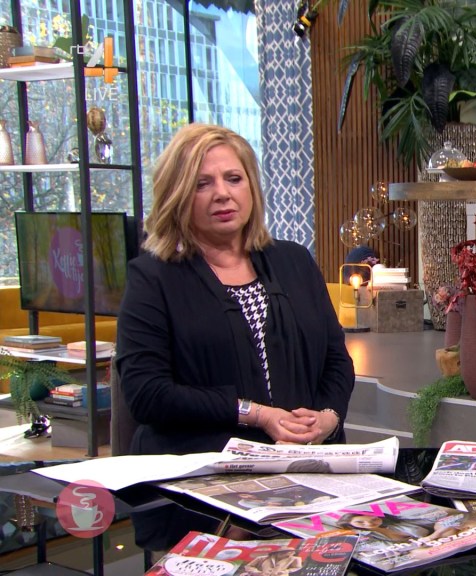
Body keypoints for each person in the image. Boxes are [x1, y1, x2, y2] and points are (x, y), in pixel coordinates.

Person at [116, 123, 356, 547]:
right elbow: (146, 393)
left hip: (302, 477)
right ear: (177, 194)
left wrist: (328, 417)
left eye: (233, 178)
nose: (222, 194)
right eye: (202, 184)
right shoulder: (152, 277)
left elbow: (336, 359)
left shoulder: (294, 260)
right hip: (199, 487)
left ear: (252, 187)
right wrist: (257, 414)